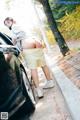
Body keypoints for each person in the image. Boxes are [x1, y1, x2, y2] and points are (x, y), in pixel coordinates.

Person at [4, 17, 54, 98]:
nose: (8, 25)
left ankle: (39, 90)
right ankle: (50, 82)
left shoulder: (14, 27)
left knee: (33, 68)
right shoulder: (23, 25)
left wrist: (12, 44)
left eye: (8, 22)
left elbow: (15, 38)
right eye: (6, 24)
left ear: (12, 21)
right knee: (43, 64)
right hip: (37, 43)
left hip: (28, 46)